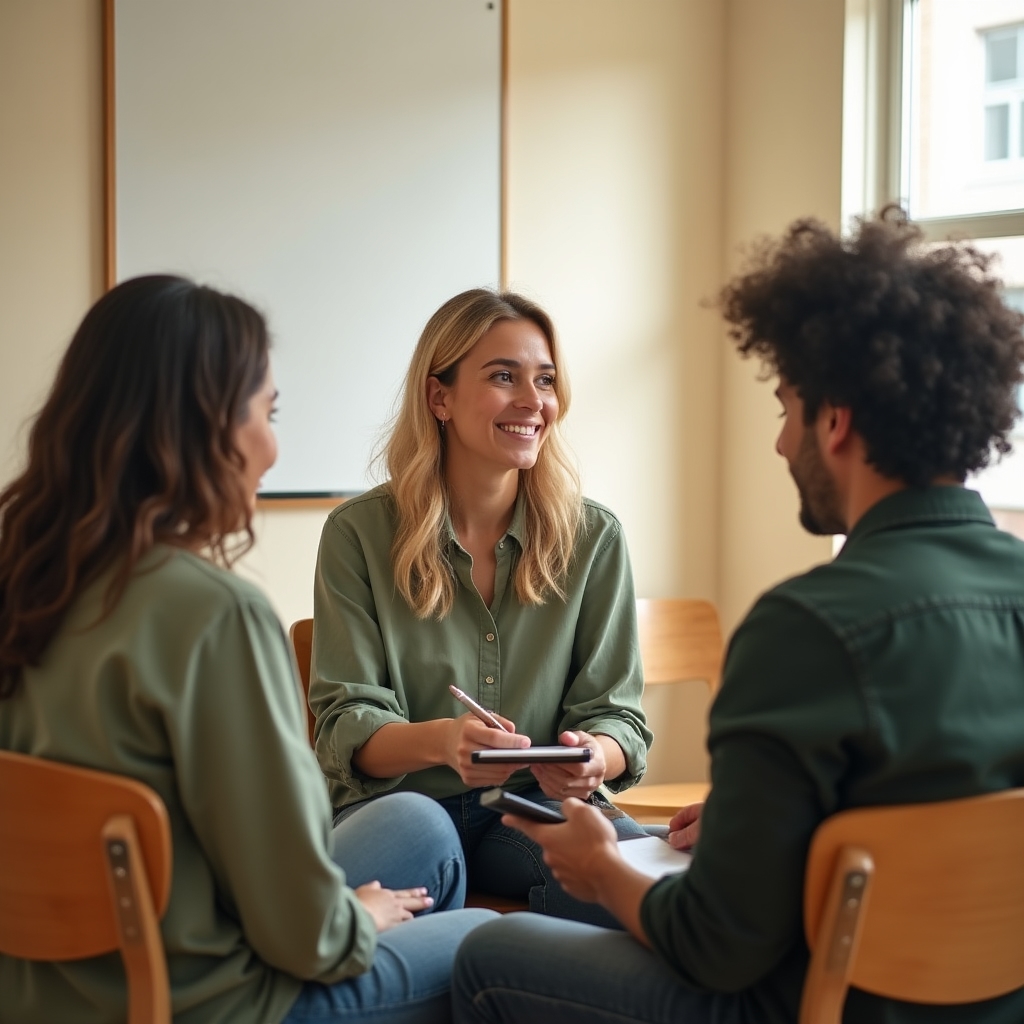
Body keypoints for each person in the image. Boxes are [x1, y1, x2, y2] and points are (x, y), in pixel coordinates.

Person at [451, 209, 1024, 1024]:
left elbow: (716, 946)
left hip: (815, 1005)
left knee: (488, 954)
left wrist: (601, 868)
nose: (782, 444)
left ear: (836, 420)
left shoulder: (807, 628)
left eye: (787, 409)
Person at [0, 275, 494, 1024]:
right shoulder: (214, 615)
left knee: (418, 823)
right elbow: (302, 934)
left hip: (44, 992)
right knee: (485, 941)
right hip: (207, 1001)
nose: (271, 447)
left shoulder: (25, 581)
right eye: (266, 413)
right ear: (194, 427)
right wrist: (354, 918)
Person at [310, 288, 653, 925]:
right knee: (416, 834)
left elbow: (617, 716)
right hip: (399, 805)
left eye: (544, 380)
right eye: (503, 377)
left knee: (638, 882)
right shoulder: (357, 534)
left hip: (524, 807)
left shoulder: (594, 538)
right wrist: (444, 741)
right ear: (438, 398)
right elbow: (345, 728)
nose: (533, 401)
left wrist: (592, 759)